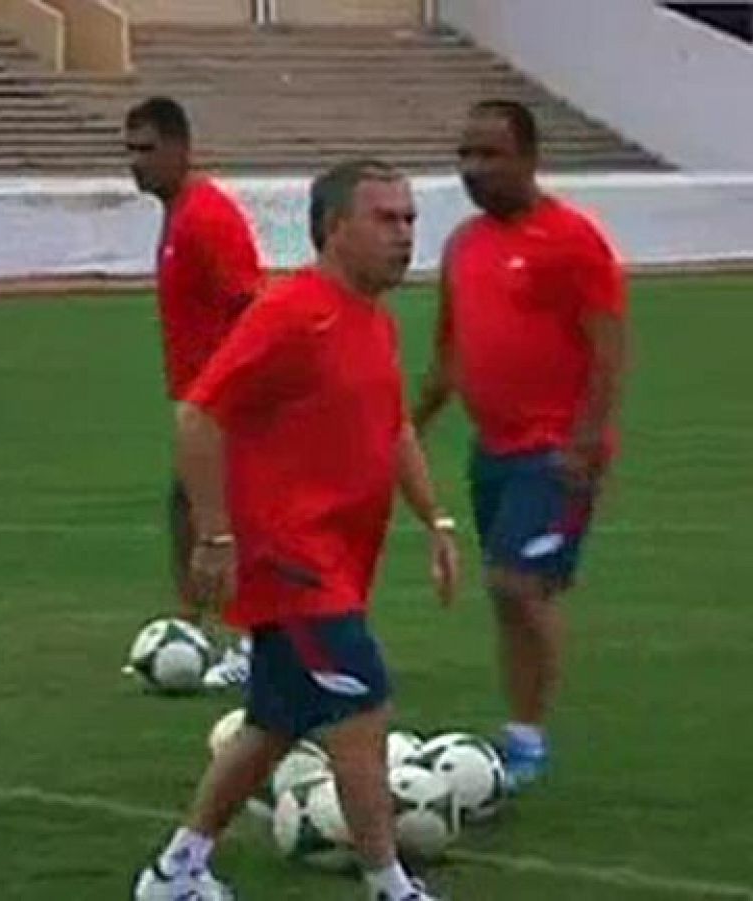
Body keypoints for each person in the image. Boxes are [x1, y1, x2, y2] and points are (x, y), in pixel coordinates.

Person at [133, 160, 459, 901]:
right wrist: (215, 536)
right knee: (360, 702)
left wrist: (434, 518)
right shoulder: (291, 313)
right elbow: (198, 412)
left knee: (273, 724)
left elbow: (393, 424)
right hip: (294, 561)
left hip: (340, 561)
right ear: (335, 227)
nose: (405, 236)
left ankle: (175, 871)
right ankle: (389, 884)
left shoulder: (371, 319)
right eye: (386, 220)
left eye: (409, 219)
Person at [413, 100, 629, 788]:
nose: (474, 169)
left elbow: (608, 348)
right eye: (466, 155)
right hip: (494, 449)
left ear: (530, 158)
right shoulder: (464, 245)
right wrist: (404, 426)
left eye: (491, 155)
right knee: (510, 593)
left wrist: (584, 442)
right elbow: (450, 354)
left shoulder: (572, 241)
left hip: (556, 452)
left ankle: (532, 737)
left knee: (516, 584)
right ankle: (519, 730)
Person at [124, 95, 265, 689]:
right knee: (186, 508)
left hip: (225, 401)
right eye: (130, 150)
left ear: (182, 148)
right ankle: (192, 626)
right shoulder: (177, 212)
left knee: (232, 518)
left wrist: (235, 393)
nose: (135, 163)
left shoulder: (208, 217)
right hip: (197, 401)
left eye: (147, 150)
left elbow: (250, 306)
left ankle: (253, 641)